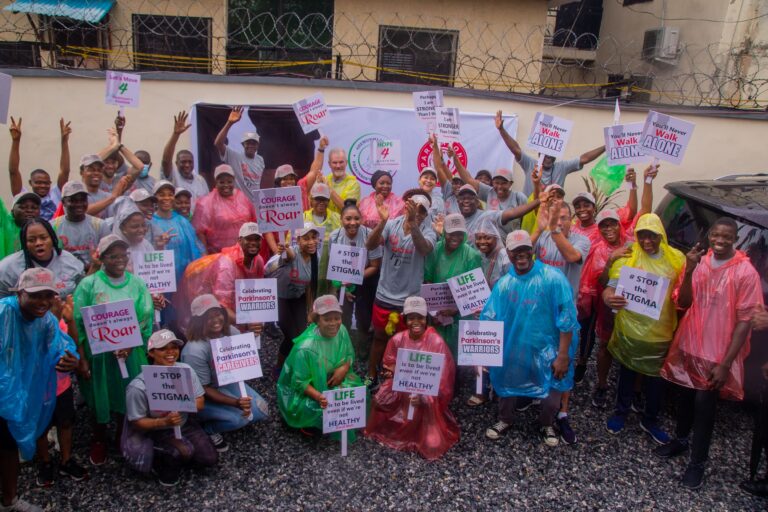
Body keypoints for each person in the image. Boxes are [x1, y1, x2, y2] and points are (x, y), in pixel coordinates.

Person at [654, 218, 763, 489]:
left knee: (705, 407)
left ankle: (697, 463)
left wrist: (726, 363)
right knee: (685, 397)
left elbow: (745, 321)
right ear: (710, 235)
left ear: (735, 238)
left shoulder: (745, 272)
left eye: (727, 236)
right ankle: (680, 440)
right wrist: (690, 269)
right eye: (716, 235)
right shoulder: (701, 262)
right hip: (691, 343)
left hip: (717, 352)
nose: (720, 240)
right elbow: (684, 301)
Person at [482, 230, 578, 447]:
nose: (521, 254)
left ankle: (546, 423)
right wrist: (485, 353)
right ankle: (505, 419)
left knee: (552, 390)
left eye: (525, 249)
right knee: (506, 382)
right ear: (508, 253)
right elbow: (490, 317)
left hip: (549, 347)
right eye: (515, 251)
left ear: (532, 249)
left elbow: (567, 318)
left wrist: (563, 355)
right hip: (515, 346)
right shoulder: (505, 284)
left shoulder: (553, 278)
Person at [602, 213, 686, 444]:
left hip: (659, 333)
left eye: (652, 236)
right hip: (630, 331)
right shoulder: (628, 257)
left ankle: (650, 419)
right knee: (626, 373)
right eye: (642, 236)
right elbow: (609, 287)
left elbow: (684, 295)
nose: (647, 241)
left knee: (655, 380)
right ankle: (621, 412)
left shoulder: (676, 259)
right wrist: (609, 298)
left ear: (661, 235)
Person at [0, 268, 78, 512]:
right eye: (35, 295)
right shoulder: (4, 313)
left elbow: (61, 346)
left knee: (8, 446)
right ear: (20, 293)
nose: (43, 302)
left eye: (48, 295)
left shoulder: (46, 320)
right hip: (7, 391)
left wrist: (70, 359)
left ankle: (9, 500)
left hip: (16, 394)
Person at [73, 235, 154, 466]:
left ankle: (122, 433)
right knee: (99, 395)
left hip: (131, 353)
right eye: (113, 256)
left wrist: (130, 343)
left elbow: (145, 316)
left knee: (127, 393)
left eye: (123, 255)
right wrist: (82, 358)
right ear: (102, 258)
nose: (119, 260)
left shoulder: (137, 283)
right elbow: (78, 321)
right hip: (100, 355)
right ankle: (99, 438)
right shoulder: (89, 285)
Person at [365, 296, 459, 460]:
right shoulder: (397, 339)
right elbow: (389, 363)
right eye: (411, 318)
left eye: (420, 317)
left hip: (427, 396)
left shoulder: (436, 342)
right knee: (379, 400)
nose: (416, 322)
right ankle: (400, 421)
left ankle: (429, 423)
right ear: (405, 320)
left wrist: (424, 396)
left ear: (426, 319)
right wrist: (392, 373)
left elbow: (444, 376)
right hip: (402, 390)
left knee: (432, 444)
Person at [529, 199, 590, 445]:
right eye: (556, 216)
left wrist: (554, 230)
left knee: (563, 363)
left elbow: (572, 256)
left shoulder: (581, 240)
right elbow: (522, 252)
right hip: (539, 311)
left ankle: (562, 413)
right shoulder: (544, 236)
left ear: (571, 220)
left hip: (565, 313)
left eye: (564, 217)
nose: (560, 221)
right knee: (537, 355)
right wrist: (538, 228)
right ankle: (538, 396)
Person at [125, 329, 216, 486]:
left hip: (183, 423)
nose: (171, 352)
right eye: (163, 348)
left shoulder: (186, 371)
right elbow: (137, 422)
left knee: (209, 459)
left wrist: (177, 402)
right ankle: (158, 462)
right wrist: (163, 422)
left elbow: (200, 403)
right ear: (151, 353)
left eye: (174, 347)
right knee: (180, 453)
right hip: (155, 430)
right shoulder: (138, 386)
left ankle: (181, 455)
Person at [365, 193, 437, 387]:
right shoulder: (391, 224)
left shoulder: (429, 231)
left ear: (426, 214)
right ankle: (371, 375)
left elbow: (424, 249)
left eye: (422, 210)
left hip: (410, 300)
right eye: (414, 208)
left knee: (408, 343)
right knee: (379, 337)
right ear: (406, 207)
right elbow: (370, 244)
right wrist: (382, 222)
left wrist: (413, 224)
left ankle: (403, 381)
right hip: (384, 295)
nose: (417, 213)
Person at [181, 295, 269, 452]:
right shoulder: (194, 350)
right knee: (240, 419)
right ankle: (207, 429)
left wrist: (253, 337)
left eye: (218, 314)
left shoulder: (230, 331)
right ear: (198, 321)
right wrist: (236, 403)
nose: (216, 320)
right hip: (203, 395)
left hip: (225, 381)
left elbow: (243, 355)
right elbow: (204, 389)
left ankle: (226, 415)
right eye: (208, 317)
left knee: (261, 411)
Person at [276, 295, 362, 435]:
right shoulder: (306, 348)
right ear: (317, 321)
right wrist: (319, 397)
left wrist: (344, 367)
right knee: (312, 411)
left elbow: (349, 355)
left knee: (357, 393)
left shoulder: (342, 331)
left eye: (337, 318)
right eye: (327, 319)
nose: (333, 323)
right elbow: (299, 382)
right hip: (310, 388)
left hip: (332, 378)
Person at [495, 110, 605, 196]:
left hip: (551, 211)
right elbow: (516, 149)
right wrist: (502, 130)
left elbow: (584, 159)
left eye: (552, 153)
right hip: (529, 212)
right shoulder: (530, 164)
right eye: (545, 153)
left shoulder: (562, 167)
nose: (548, 156)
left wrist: (606, 147)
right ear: (539, 153)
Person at [328, 200, 382, 359]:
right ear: (341, 220)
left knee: (364, 318)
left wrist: (354, 278)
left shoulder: (370, 235)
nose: (353, 223)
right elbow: (334, 265)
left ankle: (362, 345)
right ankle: (342, 347)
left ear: (362, 219)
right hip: (342, 282)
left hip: (366, 279)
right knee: (342, 316)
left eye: (356, 218)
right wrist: (342, 287)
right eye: (348, 218)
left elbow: (375, 265)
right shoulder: (335, 236)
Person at [424, 213, 482, 359]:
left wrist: (455, 309)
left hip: (460, 318)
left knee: (457, 357)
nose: (455, 237)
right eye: (451, 233)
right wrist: (434, 310)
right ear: (444, 232)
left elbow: (475, 293)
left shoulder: (471, 256)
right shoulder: (435, 250)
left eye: (459, 233)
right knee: (436, 354)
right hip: (437, 316)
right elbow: (428, 279)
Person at [0, 218, 85, 299]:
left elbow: (82, 291)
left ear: (52, 238)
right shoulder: (8, 267)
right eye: (31, 240)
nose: (38, 243)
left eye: (43, 238)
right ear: (25, 243)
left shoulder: (70, 261)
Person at [274, 223, 320, 369]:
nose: (311, 242)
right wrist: (284, 249)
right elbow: (289, 255)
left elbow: (309, 286)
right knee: (292, 337)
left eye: (314, 237)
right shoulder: (293, 253)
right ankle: (280, 368)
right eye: (306, 238)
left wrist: (310, 310)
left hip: (299, 299)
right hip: (282, 299)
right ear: (298, 240)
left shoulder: (316, 257)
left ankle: (293, 368)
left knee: (301, 335)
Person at [7, 117, 71, 221]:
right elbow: (13, 172)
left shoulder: (55, 194)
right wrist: (16, 141)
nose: (43, 186)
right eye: (38, 182)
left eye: (46, 183)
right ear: (30, 183)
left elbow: (65, 171)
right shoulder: (24, 196)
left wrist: (64, 141)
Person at [192, 164, 257, 254]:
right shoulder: (206, 203)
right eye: (222, 182)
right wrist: (205, 255)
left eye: (229, 182)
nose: (226, 185)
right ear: (216, 182)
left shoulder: (241, 196)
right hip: (219, 256)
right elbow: (199, 232)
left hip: (243, 254)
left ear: (234, 181)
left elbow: (254, 220)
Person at [454, 184, 541, 249]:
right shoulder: (455, 221)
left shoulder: (486, 216)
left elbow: (512, 213)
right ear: (458, 202)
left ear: (477, 202)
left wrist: (539, 201)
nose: (466, 201)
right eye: (463, 198)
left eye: (470, 198)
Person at [151, 180, 204, 282]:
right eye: (162, 195)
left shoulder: (182, 221)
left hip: (184, 276)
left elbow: (196, 247)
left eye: (170, 195)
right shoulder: (150, 223)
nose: (166, 198)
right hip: (162, 279)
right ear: (155, 197)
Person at [51, 180, 109, 271]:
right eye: (73, 200)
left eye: (83, 200)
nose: (79, 204)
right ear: (63, 202)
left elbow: (107, 256)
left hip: (94, 273)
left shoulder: (100, 225)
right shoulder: (53, 226)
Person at [214, 106, 264, 204]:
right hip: (238, 205)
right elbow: (218, 143)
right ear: (242, 144)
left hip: (255, 205)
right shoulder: (234, 157)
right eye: (248, 143)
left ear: (258, 145)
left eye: (254, 143)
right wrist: (229, 123)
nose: (251, 145)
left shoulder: (260, 160)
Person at [160, 111, 209, 205]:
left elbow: (207, 203)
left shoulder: (200, 180)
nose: (187, 165)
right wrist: (176, 134)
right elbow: (166, 161)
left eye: (190, 162)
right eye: (183, 162)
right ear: (176, 163)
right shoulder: (173, 176)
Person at [305, 136, 361, 215]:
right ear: (329, 164)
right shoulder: (324, 180)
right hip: (325, 222)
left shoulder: (354, 184)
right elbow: (311, 205)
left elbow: (349, 210)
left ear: (346, 163)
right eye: (335, 163)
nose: (338, 166)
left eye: (341, 162)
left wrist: (329, 190)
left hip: (343, 223)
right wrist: (316, 186)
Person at [79, 154, 130, 219]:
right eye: (91, 170)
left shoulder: (107, 196)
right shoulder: (75, 194)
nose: (96, 173)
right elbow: (81, 213)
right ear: (81, 172)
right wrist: (113, 197)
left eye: (99, 170)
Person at [430, 135, 464, 215]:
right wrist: (435, 146)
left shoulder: (471, 199)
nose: (458, 186)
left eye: (461, 183)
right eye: (455, 183)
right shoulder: (449, 193)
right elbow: (439, 170)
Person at [1, 191, 41, 259]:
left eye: (34, 208)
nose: (29, 210)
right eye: (23, 207)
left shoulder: (44, 230)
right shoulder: (5, 224)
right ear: (12, 210)